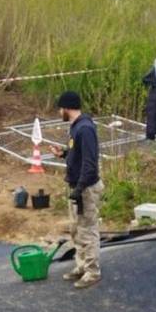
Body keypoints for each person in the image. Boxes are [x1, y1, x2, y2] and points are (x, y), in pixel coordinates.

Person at [51, 90, 103, 288]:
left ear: (67, 108)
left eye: (60, 109)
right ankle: (81, 265)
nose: (59, 112)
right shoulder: (75, 128)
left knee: (87, 230)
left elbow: (90, 163)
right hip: (77, 186)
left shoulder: (85, 128)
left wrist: (80, 187)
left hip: (86, 188)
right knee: (76, 229)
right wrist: (64, 153)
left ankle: (92, 271)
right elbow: (77, 155)